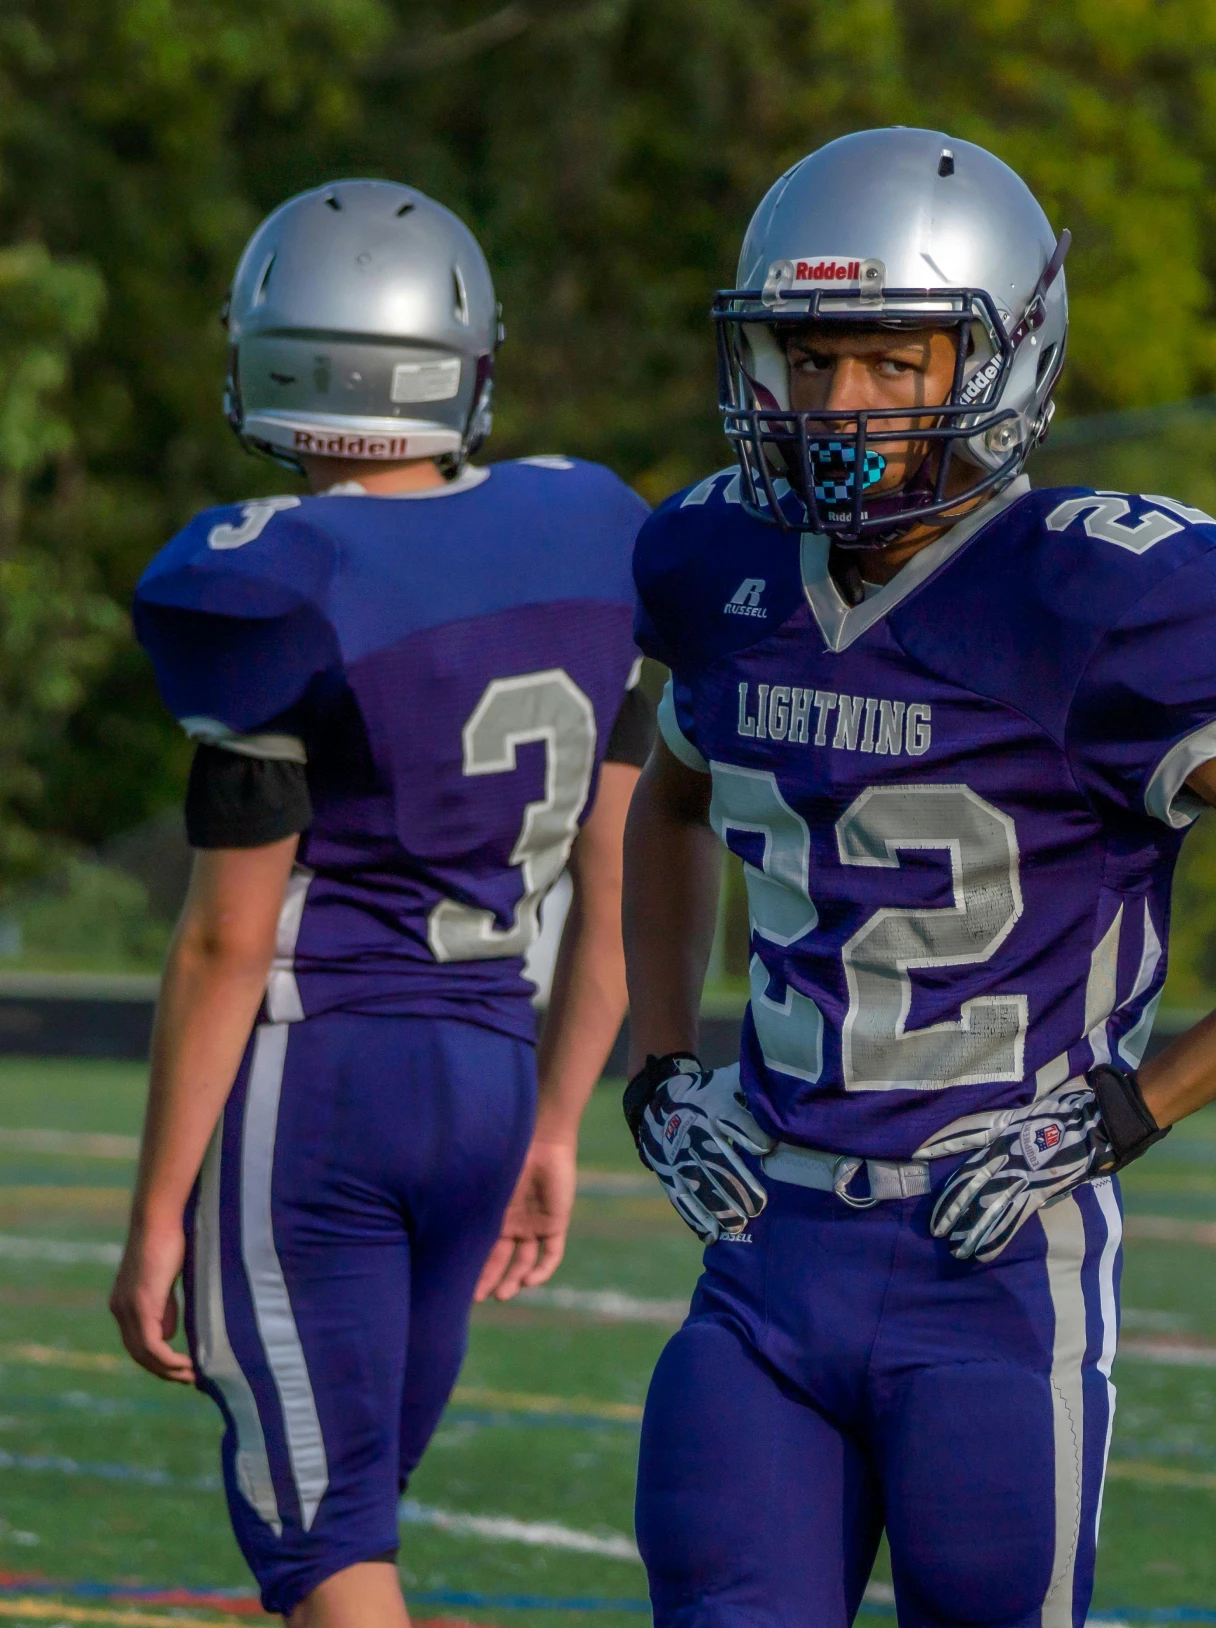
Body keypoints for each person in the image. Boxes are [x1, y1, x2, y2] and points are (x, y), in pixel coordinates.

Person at [621, 126, 1216, 1628]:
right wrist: (662, 1063)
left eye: (891, 363)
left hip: (990, 1249)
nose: (836, 405)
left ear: (1000, 358)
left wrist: (1138, 1104)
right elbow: (665, 801)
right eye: (810, 362)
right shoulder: (720, 569)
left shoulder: (1089, 595)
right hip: (767, 1240)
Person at [108, 179, 652, 1626]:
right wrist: (555, 1119)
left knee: (328, 1546)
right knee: (351, 1520)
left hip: (326, 1078)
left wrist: (158, 1209)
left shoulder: (276, 577)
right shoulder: (589, 527)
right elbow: (615, 889)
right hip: (485, 1078)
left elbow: (229, 938)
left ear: (269, 356)